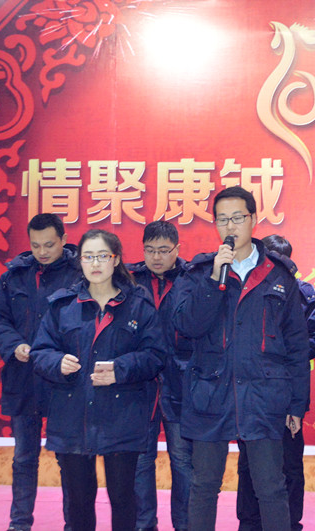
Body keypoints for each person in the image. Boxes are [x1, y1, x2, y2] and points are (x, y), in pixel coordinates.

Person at [173, 186, 311, 531]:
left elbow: (297, 346)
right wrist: (213, 281)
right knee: (204, 486)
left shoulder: (279, 276)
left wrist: (297, 404)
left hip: (263, 396)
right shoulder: (199, 273)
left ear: (253, 219)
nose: (230, 226)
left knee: (271, 488)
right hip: (210, 395)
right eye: (222, 220)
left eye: (237, 217)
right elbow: (186, 325)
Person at [31, 229, 165, 531]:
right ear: (79, 261)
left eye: (102, 256)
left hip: (122, 415)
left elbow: (156, 355)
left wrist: (121, 368)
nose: (95, 263)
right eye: (88, 256)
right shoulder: (63, 305)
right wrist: (56, 362)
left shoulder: (138, 305)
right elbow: (40, 352)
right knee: (78, 501)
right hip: (73, 415)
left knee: (123, 497)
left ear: (115, 260)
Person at [0, 213, 81, 531]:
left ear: (64, 240)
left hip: (64, 379)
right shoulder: (14, 275)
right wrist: (14, 345)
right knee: (24, 456)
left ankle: (74, 524)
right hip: (24, 376)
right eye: (36, 245)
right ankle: (19, 522)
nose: (42, 252)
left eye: (49, 245)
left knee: (68, 459)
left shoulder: (80, 273)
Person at [236, 234, 315, 531]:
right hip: (252, 393)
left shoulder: (300, 291)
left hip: (287, 390)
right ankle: (249, 523)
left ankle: (290, 523)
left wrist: (282, 353)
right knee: (248, 464)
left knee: (290, 465)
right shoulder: (243, 288)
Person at [130, 220, 193, 531]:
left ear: (177, 249)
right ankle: (145, 525)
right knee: (141, 461)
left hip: (180, 384)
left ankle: (185, 525)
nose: (156, 257)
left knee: (182, 461)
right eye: (150, 250)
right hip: (139, 385)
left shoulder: (192, 278)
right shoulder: (129, 280)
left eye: (164, 250)